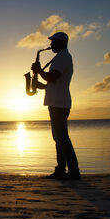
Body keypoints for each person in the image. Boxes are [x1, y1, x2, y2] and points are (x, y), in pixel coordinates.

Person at [31, 32, 81, 180]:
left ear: (61, 43)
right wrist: (40, 85)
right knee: (58, 138)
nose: (51, 45)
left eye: (53, 42)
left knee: (62, 138)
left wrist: (39, 71)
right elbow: (53, 83)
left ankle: (73, 171)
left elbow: (52, 77)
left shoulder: (63, 57)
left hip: (59, 103)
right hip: (57, 102)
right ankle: (61, 170)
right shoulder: (61, 57)